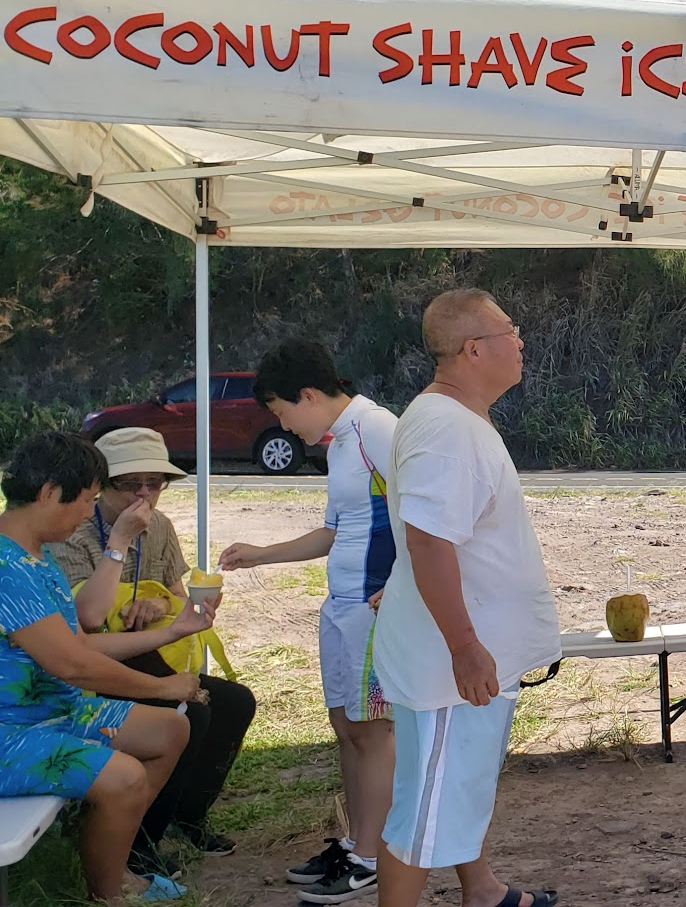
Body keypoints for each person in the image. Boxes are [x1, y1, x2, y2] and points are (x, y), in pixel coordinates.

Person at [372, 289, 558, 907]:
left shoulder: (454, 418)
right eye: (512, 329)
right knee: (421, 820)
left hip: (457, 659)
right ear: (475, 348)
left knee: (453, 788)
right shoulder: (446, 428)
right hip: (447, 664)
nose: (521, 340)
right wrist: (465, 645)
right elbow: (428, 542)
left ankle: (481, 891)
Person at [219, 341, 398, 904]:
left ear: (309, 395)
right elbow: (335, 531)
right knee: (347, 728)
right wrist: (262, 553)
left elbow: (425, 512)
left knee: (373, 732)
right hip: (341, 607)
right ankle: (355, 844)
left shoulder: (378, 430)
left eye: (280, 412)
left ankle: (373, 858)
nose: (282, 425)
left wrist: (403, 587)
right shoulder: (340, 444)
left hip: (376, 610)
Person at [0, 432, 200, 903]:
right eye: (86, 500)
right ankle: (111, 893)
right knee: (126, 777)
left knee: (170, 732)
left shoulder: (35, 555)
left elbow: (78, 643)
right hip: (11, 733)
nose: (86, 513)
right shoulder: (7, 567)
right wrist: (160, 685)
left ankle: (103, 844)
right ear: (50, 492)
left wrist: (169, 633)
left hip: (53, 716)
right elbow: (72, 664)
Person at [50, 427, 258, 877]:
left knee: (235, 701)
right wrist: (118, 542)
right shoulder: (73, 530)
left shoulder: (159, 526)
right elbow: (86, 619)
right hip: (93, 657)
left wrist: (161, 602)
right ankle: (142, 840)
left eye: (155, 482)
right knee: (188, 712)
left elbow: (175, 592)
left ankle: (188, 815)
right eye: (129, 484)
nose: (144, 494)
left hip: (145, 649)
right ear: (101, 485)